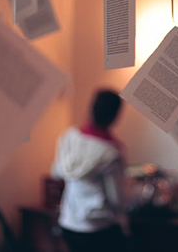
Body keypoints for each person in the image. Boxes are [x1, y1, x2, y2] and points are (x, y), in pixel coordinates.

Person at [50, 89, 128, 252]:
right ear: (115, 116)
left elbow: (56, 172)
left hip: (69, 223)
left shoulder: (69, 136)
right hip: (99, 226)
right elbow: (116, 199)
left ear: (91, 108)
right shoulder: (111, 152)